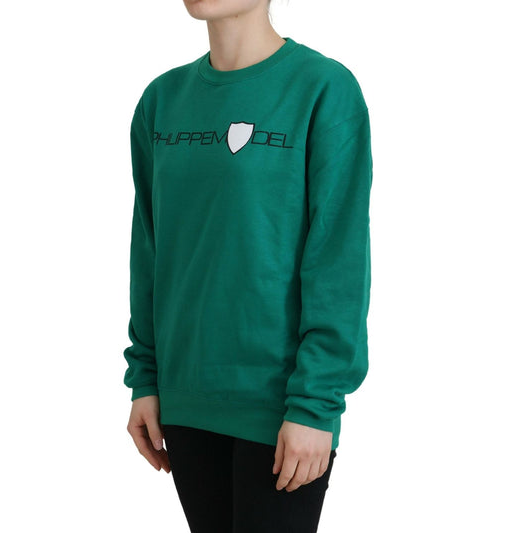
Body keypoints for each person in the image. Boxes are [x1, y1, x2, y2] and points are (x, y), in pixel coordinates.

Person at [123, 1, 373, 531]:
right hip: (185, 400)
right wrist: (145, 377)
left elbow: (338, 259)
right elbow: (149, 248)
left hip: (281, 406)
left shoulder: (323, 89)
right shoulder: (161, 101)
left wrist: (315, 405)